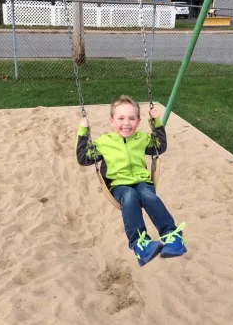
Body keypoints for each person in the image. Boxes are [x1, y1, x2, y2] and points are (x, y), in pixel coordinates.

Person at [76, 95, 186, 267]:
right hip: (118, 185)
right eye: (121, 118)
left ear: (138, 121)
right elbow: (84, 158)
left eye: (131, 118)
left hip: (142, 182)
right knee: (129, 196)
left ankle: (172, 236)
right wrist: (83, 132)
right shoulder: (104, 142)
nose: (126, 123)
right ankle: (140, 244)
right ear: (111, 121)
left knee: (148, 196)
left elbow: (160, 146)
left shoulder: (141, 138)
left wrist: (155, 121)